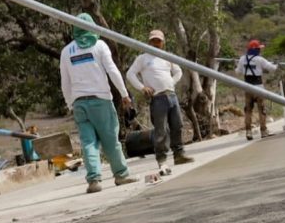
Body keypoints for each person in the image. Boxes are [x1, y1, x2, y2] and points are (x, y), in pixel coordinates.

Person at [60, 13, 139, 194]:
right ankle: (121, 174)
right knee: (110, 139)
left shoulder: (66, 52)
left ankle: (94, 180)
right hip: (101, 101)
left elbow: (65, 81)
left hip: (79, 104)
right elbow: (112, 71)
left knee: (88, 142)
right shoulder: (99, 45)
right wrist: (124, 94)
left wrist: (69, 103)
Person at [126, 29, 194, 175]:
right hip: (157, 98)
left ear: (163, 43)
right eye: (153, 41)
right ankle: (162, 159)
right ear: (149, 42)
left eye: (158, 41)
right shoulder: (143, 58)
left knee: (177, 125)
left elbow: (178, 71)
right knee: (161, 130)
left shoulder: (167, 57)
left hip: (171, 95)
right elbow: (130, 74)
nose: (156, 43)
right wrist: (142, 87)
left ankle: (179, 155)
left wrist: (171, 82)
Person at [234, 39, 279, 140]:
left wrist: (235, 64)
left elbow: (237, 72)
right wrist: (276, 64)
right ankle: (263, 131)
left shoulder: (242, 59)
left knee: (248, 111)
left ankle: (248, 132)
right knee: (261, 110)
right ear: (256, 50)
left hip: (247, 87)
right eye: (259, 48)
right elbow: (272, 68)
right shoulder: (260, 59)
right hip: (259, 87)